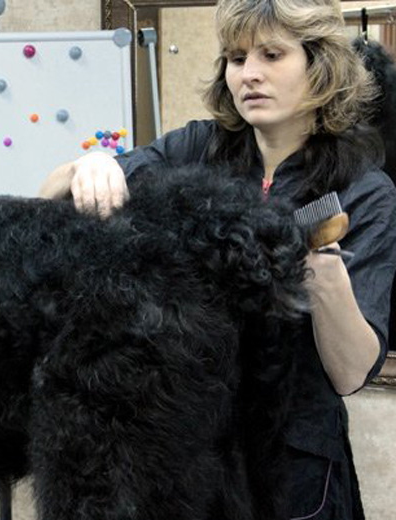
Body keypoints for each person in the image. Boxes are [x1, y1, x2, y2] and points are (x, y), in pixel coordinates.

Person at [40, 0, 396, 518]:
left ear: (319, 65)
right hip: (189, 450)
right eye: (236, 58)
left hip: (295, 466)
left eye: (272, 55)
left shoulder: (364, 190)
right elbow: (47, 196)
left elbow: (349, 374)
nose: (249, 74)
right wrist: (87, 167)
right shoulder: (196, 148)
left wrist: (325, 274)